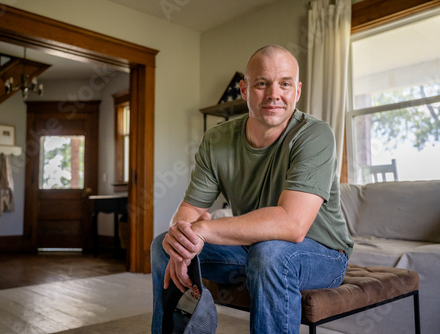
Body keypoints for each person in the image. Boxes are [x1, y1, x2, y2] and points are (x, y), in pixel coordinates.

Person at [151, 44, 354, 334]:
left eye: (284, 84)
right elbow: (191, 210)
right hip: (252, 248)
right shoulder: (217, 140)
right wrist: (183, 238)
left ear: (296, 92)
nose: (274, 94)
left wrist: (204, 231)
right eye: (262, 83)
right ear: (245, 90)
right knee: (164, 246)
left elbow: (293, 224)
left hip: (323, 253)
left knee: (270, 253)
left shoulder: (314, 134)